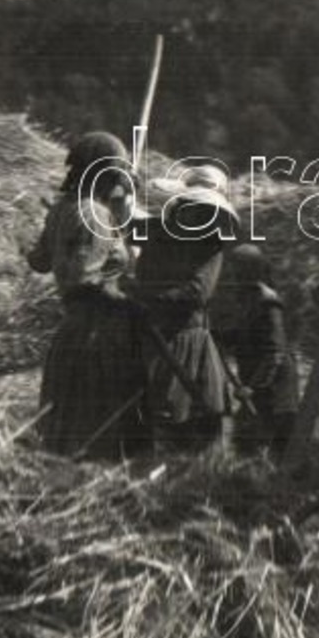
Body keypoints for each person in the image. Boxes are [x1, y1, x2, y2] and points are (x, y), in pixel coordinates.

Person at [26, 132, 147, 460]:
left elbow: (37, 261)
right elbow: (84, 281)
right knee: (92, 437)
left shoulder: (63, 209)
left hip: (72, 333)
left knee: (66, 432)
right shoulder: (94, 214)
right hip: (97, 337)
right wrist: (129, 302)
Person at [127, 166, 237, 453]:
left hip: (185, 340)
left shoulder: (210, 242)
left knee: (185, 413)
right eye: (190, 206)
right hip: (150, 335)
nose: (194, 213)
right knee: (145, 416)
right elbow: (125, 225)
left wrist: (147, 296)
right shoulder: (157, 232)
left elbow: (197, 292)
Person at [216, 243, 300, 458]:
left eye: (236, 268)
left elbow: (275, 352)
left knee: (269, 452)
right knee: (244, 445)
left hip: (274, 393)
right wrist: (217, 335)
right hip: (260, 388)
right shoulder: (248, 298)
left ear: (249, 270)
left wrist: (254, 387)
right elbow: (245, 334)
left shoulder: (267, 301)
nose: (231, 273)